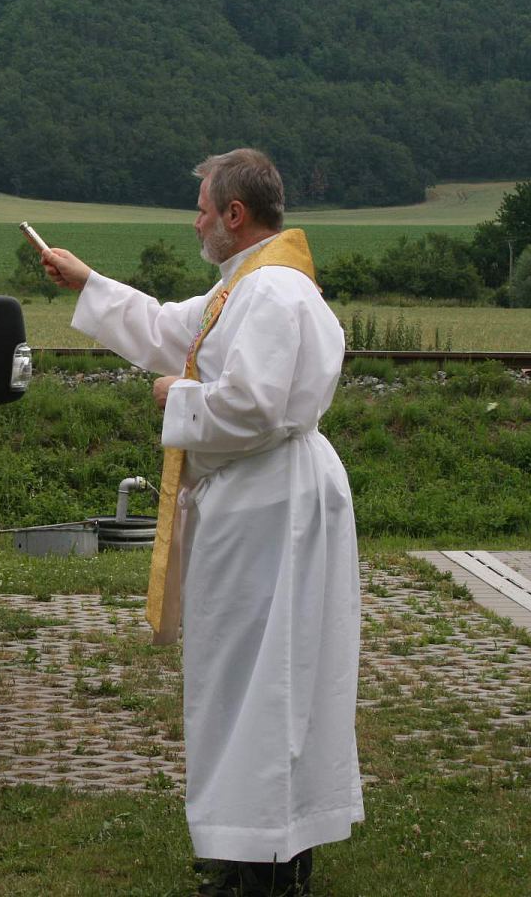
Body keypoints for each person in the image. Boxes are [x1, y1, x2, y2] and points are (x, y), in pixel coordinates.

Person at [41, 148, 362, 897]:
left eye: (202, 210)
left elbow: (253, 405)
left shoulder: (274, 293)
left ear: (234, 215)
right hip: (258, 504)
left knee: (265, 681)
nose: (195, 223)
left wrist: (176, 399)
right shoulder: (242, 289)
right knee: (244, 678)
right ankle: (258, 849)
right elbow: (163, 327)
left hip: (271, 507)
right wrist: (87, 282)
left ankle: (269, 864)